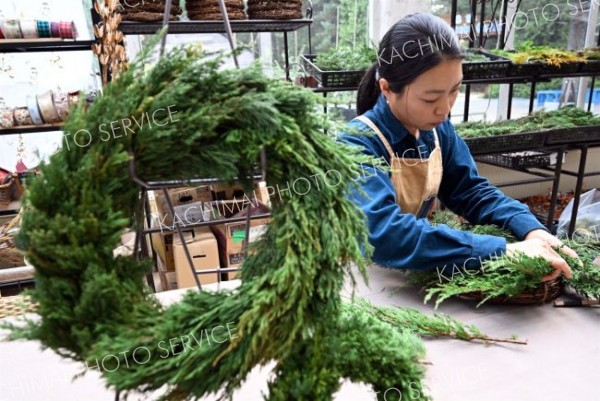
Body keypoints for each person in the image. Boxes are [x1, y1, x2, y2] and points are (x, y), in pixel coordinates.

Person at [339, 13, 578, 281]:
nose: (445, 108)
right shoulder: (358, 143)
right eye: (431, 98)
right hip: (357, 279)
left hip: (406, 276)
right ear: (387, 89)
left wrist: (532, 230)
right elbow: (383, 234)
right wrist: (502, 251)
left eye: (454, 90)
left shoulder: (437, 131)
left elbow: (471, 191)